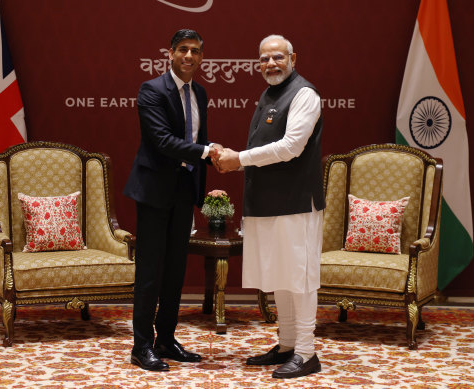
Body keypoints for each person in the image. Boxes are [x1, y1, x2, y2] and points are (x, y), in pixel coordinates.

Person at [217, 34, 324, 379]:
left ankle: (307, 353)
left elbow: (292, 146)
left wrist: (240, 160)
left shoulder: (305, 94)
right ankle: (288, 344)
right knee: (281, 274)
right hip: (267, 201)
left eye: (278, 57)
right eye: (264, 59)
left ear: (294, 58)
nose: (270, 64)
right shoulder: (269, 93)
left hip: (295, 203)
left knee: (301, 278)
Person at [123, 29, 221, 371]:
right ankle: (141, 346)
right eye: (182, 49)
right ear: (170, 53)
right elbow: (162, 140)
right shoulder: (151, 90)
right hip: (153, 191)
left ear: (201, 57)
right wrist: (208, 153)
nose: (189, 56)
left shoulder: (201, 93)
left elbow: (199, 138)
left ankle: (166, 339)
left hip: (183, 188)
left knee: (176, 270)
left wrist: (203, 166)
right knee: (150, 270)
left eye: (195, 50)